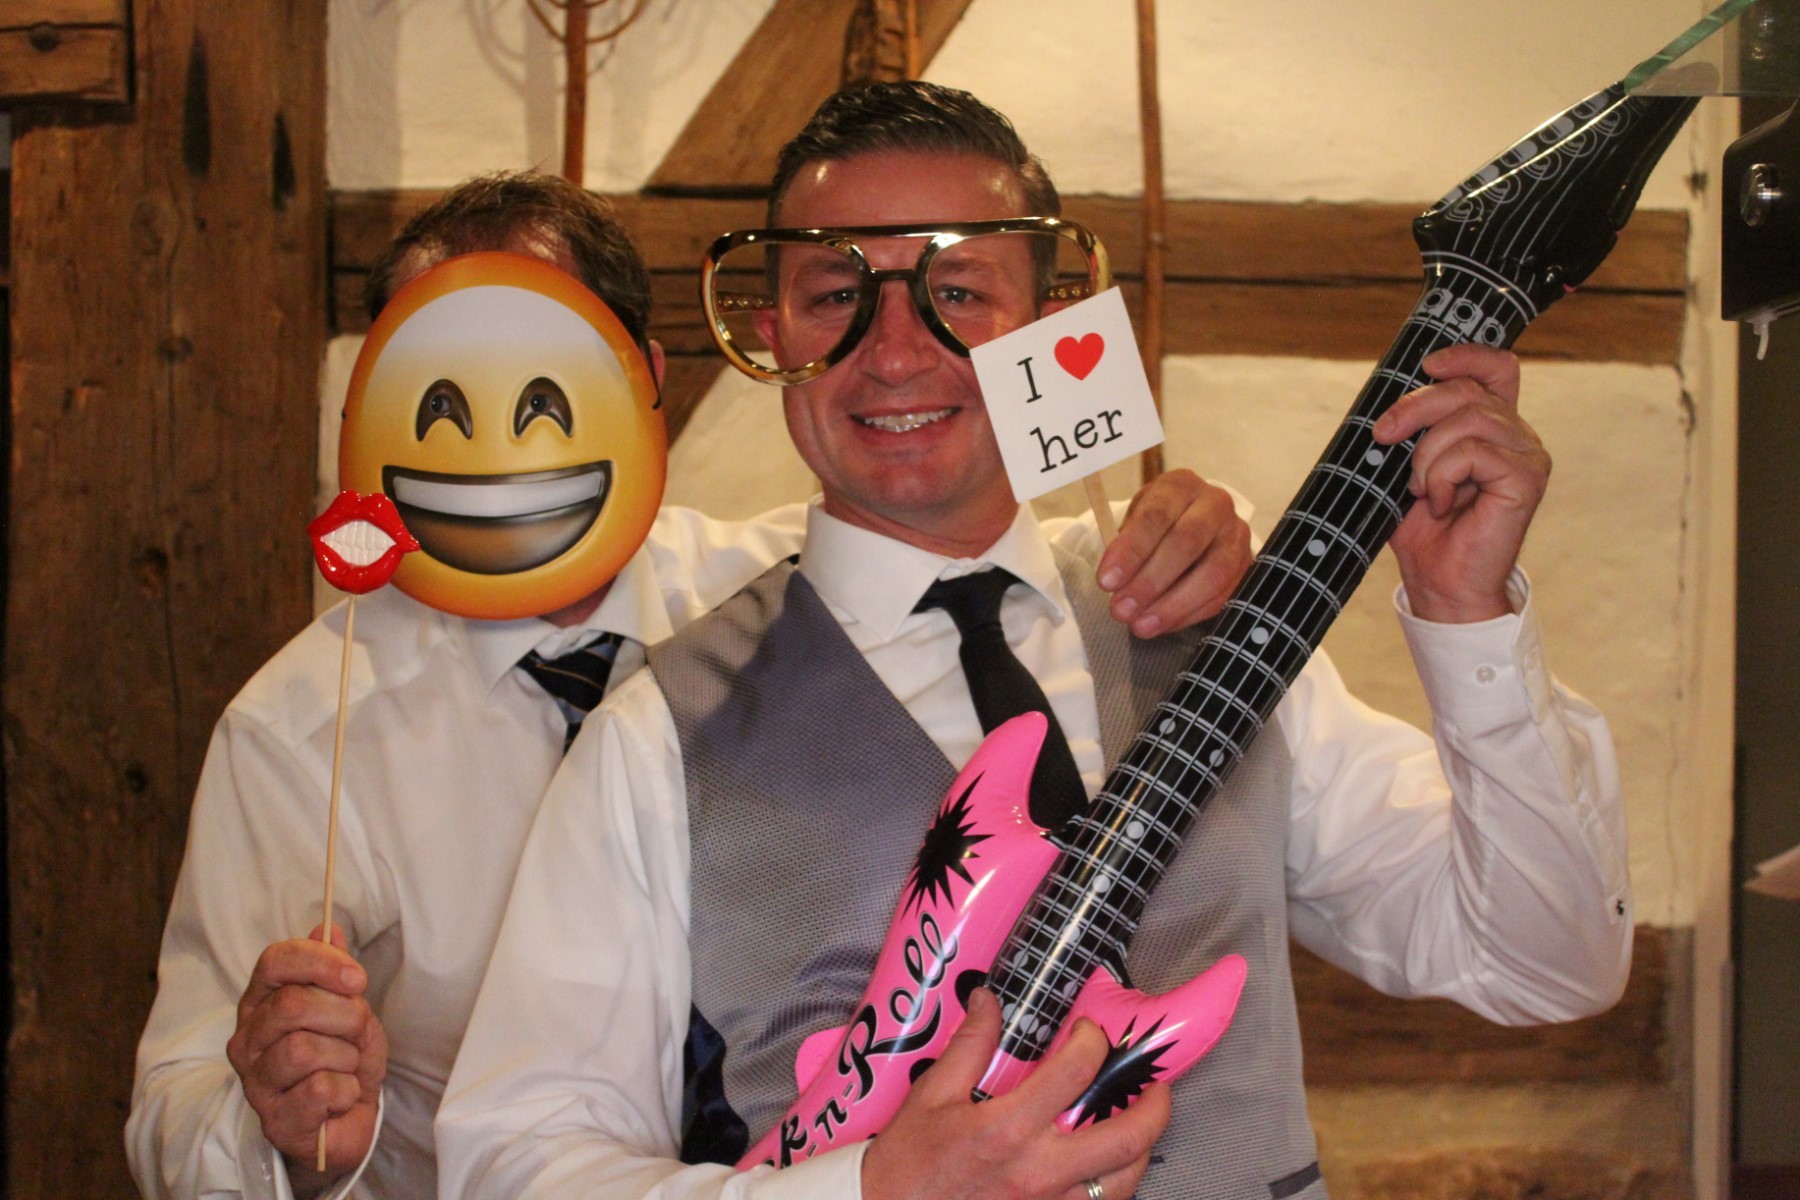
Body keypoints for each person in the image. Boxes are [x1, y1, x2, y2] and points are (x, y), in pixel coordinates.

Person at [124, 169, 1253, 1200]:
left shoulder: (793, 597)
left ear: (646, 382)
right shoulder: (301, 730)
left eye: (547, 385)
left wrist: (1179, 537)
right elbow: (172, 1112)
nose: (499, 443)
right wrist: (273, 1131)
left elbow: (1010, 567)